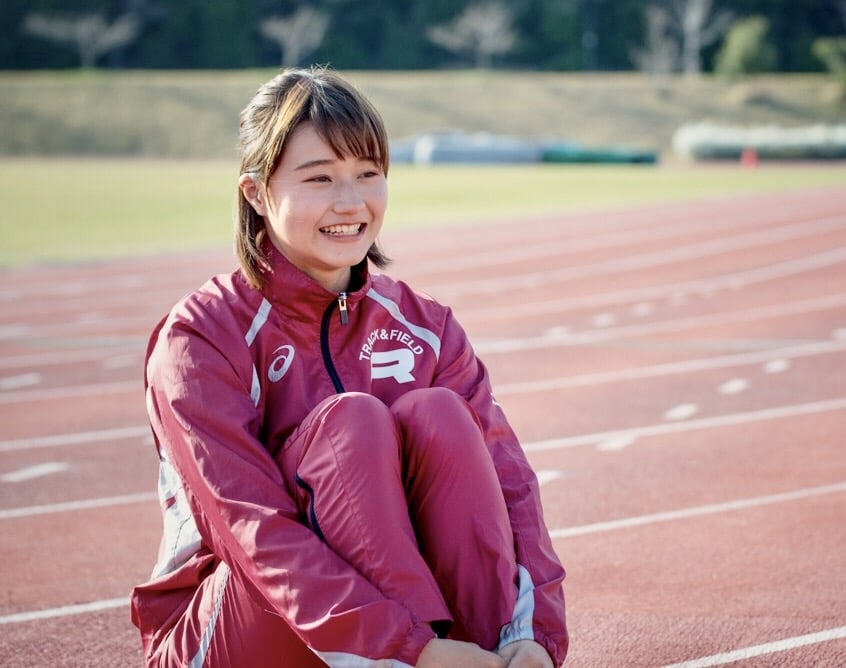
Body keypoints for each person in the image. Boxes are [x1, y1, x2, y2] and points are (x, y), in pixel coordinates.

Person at [130, 66, 568, 668]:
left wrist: (535, 635)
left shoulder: (426, 327)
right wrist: (411, 652)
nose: (350, 202)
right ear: (256, 193)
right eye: (320, 179)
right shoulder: (201, 337)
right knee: (351, 426)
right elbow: (251, 530)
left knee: (437, 413)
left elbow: (509, 486)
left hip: (416, 639)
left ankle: (491, 654)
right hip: (236, 630)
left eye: (367, 174)